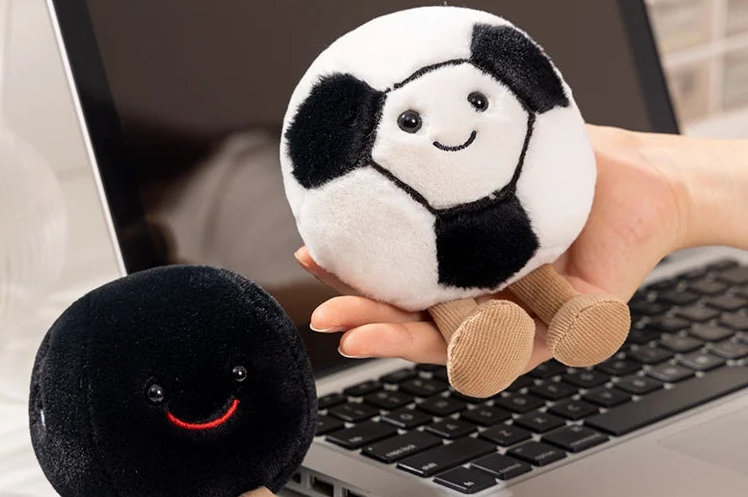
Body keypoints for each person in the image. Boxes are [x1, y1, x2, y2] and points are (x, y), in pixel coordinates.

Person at [296, 125, 748, 373]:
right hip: (433, 266)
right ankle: (472, 333)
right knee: (435, 290)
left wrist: (671, 189)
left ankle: (573, 311)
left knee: (525, 261)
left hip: (514, 241)